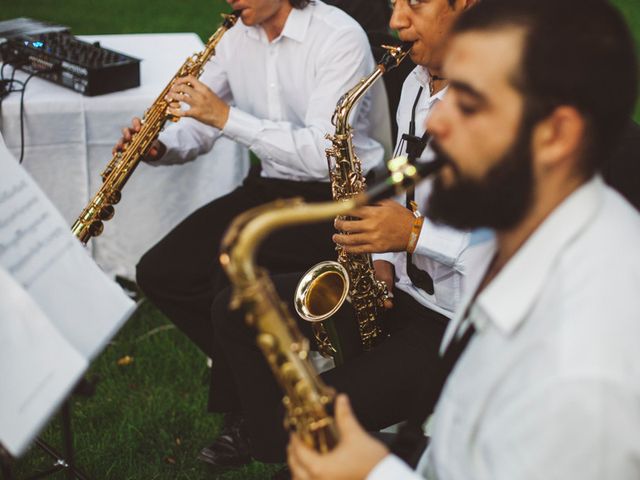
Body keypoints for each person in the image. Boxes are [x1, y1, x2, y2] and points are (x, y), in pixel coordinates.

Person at [286, 0, 640, 479]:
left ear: (557, 134)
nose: (435, 124)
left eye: (469, 102)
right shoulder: (520, 238)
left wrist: (373, 473)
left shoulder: (581, 373)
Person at [207, 0, 485, 470]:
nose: (395, 20)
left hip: (458, 326)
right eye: (395, 3)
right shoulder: (417, 83)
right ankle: (281, 452)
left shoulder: (507, 106)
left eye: (413, 5)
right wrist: (384, 259)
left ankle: (299, 449)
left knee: (316, 413)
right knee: (233, 309)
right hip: (404, 291)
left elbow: (520, 253)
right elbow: (407, 184)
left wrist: (415, 236)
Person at [114, 0, 385, 462]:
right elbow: (199, 128)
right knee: (160, 272)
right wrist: (163, 144)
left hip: (342, 196)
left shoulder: (338, 36)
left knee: (229, 284)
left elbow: (325, 151)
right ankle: (266, 378)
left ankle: (248, 419)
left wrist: (225, 117)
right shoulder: (236, 35)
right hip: (270, 185)